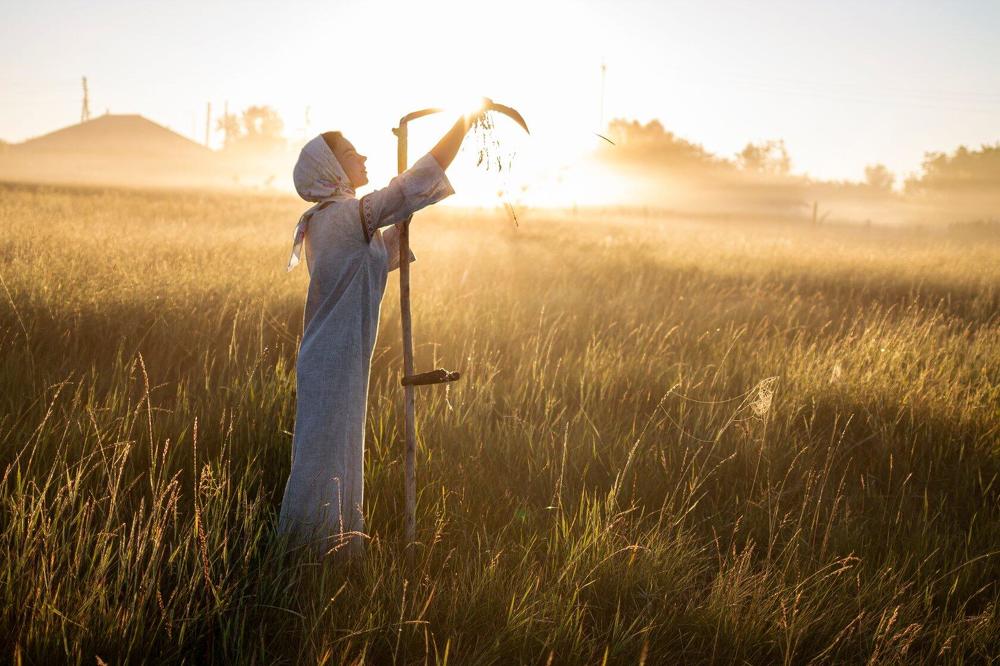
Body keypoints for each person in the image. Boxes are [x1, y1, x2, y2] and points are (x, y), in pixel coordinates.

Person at [278, 110, 482, 556]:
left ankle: (331, 551)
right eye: (352, 153)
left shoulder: (346, 220)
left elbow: (380, 253)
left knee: (341, 455)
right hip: (331, 362)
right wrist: (463, 125)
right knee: (324, 459)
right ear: (332, 168)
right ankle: (307, 555)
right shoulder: (338, 218)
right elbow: (406, 188)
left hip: (343, 360)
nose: (364, 155)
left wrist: (404, 217)